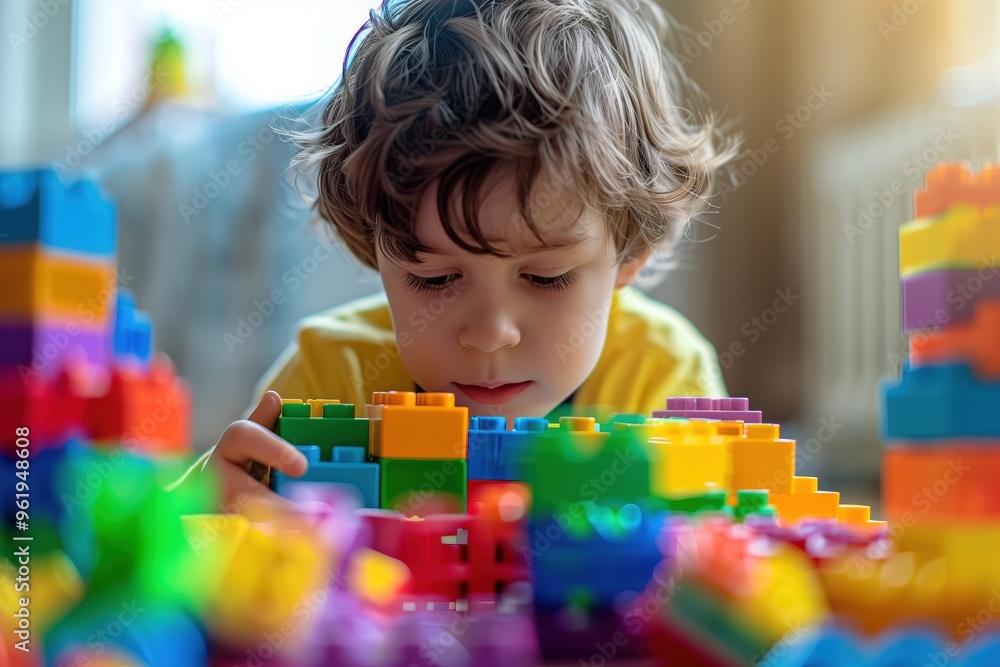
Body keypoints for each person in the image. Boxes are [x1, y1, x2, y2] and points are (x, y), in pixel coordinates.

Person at [183, 0, 737, 509]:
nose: (491, 333)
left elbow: (721, 574)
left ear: (629, 254)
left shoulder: (661, 381)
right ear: (376, 250)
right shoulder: (333, 376)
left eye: (546, 277)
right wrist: (207, 508)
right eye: (435, 278)